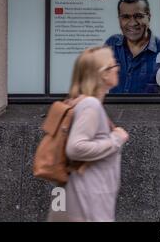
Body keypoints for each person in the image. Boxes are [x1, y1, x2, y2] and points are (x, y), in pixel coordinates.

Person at [47, 46, 129, 222]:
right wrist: (116, 139)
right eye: (114, 65)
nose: (118, 68)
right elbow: (75, 148)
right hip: (88, 197)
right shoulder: (90, 105)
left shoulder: (78, 101)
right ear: (103, 74)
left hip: (80, 193)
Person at [105, 0, 160, 93]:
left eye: (138, 16)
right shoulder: (112, 44)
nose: (133, 23)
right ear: (119, 19)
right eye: (125, 17)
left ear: (149, 17)